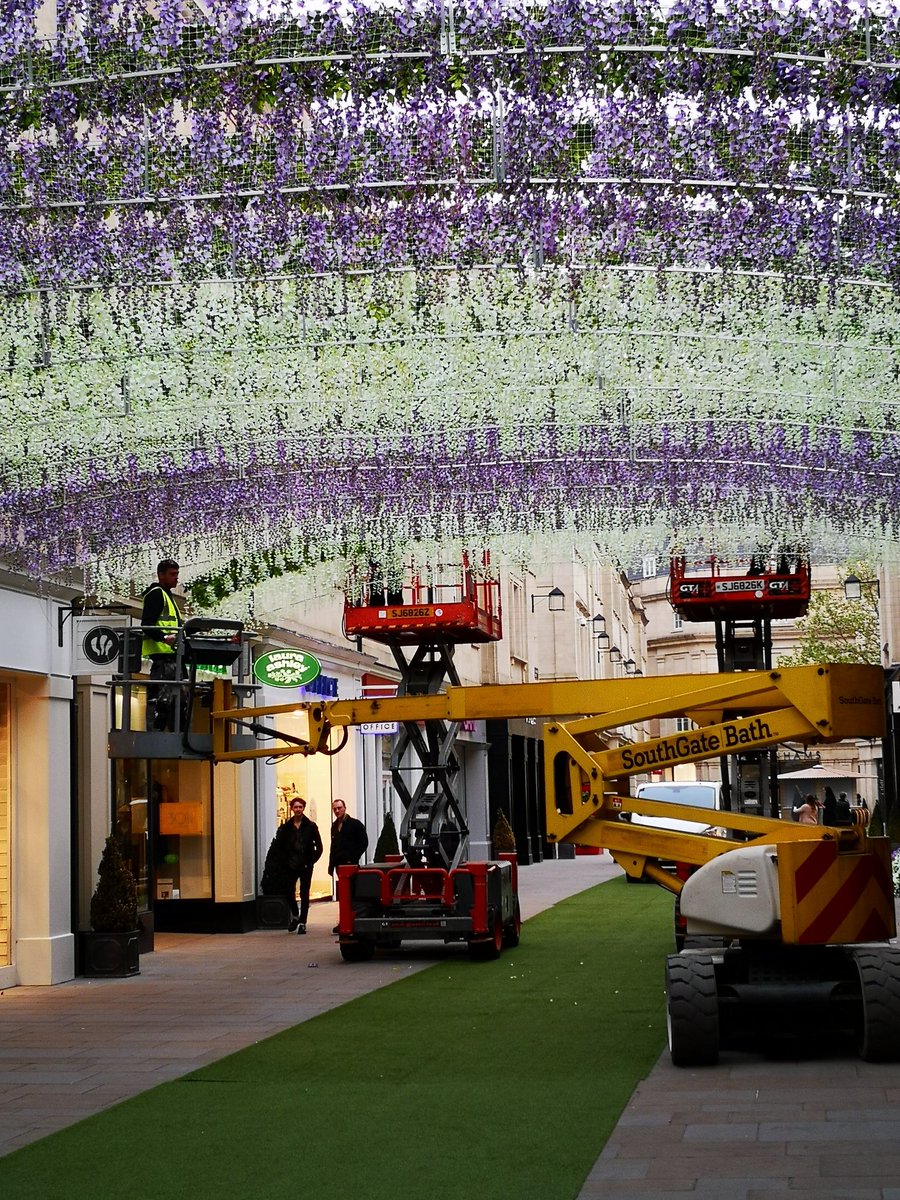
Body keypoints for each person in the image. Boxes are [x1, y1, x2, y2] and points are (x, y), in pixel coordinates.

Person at [141, 558, 185, 731]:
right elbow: (147, 624)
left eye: (177, 574)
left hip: (171, 656)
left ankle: (176, 733)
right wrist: (164, 637)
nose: (176, 578)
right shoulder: (157, 594)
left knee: (176, 700)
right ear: (161, 575)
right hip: (162, 657)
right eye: (172, 574)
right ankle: (158, 732)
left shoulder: (167, 595)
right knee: (162, 700)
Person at [273, 797, 323, 934]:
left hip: (305, 865)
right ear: (292, 809)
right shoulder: (286, 827)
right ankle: (295, 915)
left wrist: (311, 861)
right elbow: (280, 847)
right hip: (290, 865)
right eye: (296, 807)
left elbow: (319, 846)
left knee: (304, 893)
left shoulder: (311, 826)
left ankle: (302, 922)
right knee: (289, 891)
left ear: (303, 808)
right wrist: (284, 862)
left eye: (300, 807)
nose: (298, 809)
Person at [329, 798, 368, 932]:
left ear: (345, 808)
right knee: (343, 896)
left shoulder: (355, 825)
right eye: (335, 809)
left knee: (351, 894)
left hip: (350, 865)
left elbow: (363, 842)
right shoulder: (334, 826)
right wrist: (331, 865)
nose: (337, 811)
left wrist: (353, 858)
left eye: (339, 808)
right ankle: (344, 920)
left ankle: (352, 919)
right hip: (339, 866)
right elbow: (333, 847)